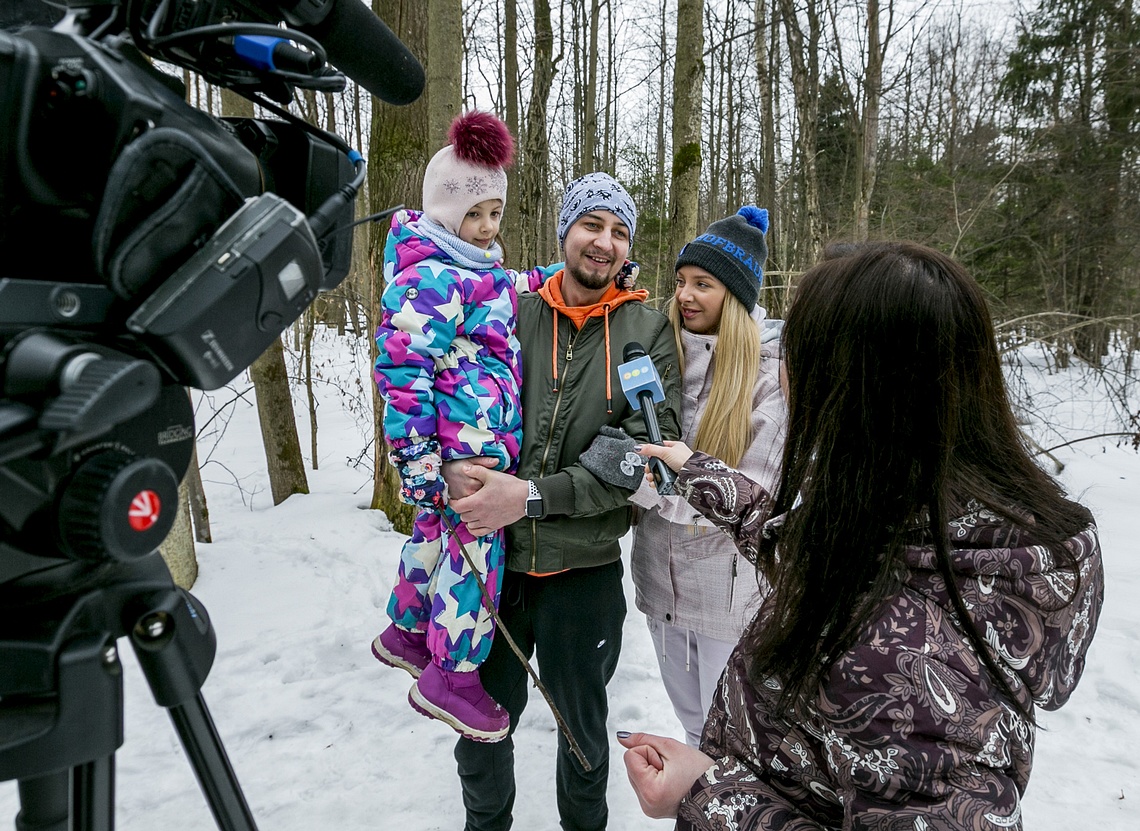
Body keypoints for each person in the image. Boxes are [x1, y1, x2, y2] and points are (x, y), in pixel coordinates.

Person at [619, 241, 1104, 829]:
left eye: (793, 359)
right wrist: (701, 474)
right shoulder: (944, 525)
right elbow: (825, 561)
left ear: (853, 391)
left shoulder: (900, 676)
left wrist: (702, 795)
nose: (781, 374)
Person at [443, 172, 683, 831]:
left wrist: (530, 497)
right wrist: (455, 466)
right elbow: (459, 399)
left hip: (585, 573)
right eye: (592, 224)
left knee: (583, 731)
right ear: (565, 230)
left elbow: (642, 459)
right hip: (494, 566)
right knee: (481, 724)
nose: (604, 242)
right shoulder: (510, 309)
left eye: (619, 231)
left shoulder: (643, 329)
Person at [371, 110, 548, 743]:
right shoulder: (430, 277)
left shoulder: (474, 271)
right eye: (475, 215)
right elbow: (400, 369)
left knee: (431, 539)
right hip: (460, 453)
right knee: (475, 558)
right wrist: (417, 459)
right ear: (445, 214)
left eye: (495, 213)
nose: (487, 226)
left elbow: (514, 285)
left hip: (467, 445)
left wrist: (553, 279)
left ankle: (406, 633)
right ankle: (453, 676)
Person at [629, 206, 786, 748]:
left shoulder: (771, 374)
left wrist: (642, 483)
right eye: (680, 282)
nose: (686, 296)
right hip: (660, 583)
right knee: (693, 726)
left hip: (729, 595)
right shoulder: (660, 352)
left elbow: (754, 491)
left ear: (737, 296)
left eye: (703, 284)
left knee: (732, 739)